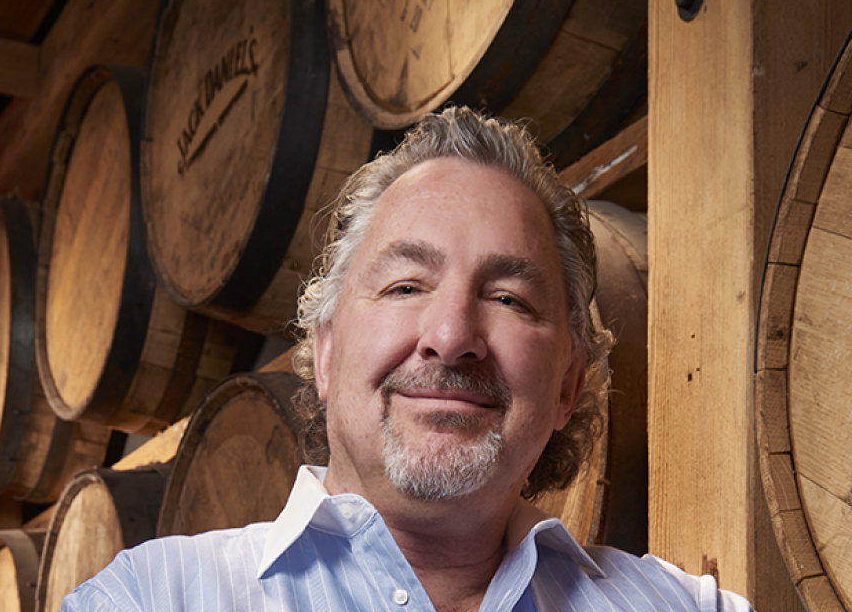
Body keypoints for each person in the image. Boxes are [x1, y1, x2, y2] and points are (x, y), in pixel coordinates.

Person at [61, 107, 753, 611]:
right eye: (404, 287)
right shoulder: (152, 598)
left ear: (569, 385)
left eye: (509, 298)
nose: (452, 335)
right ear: (325, 354)